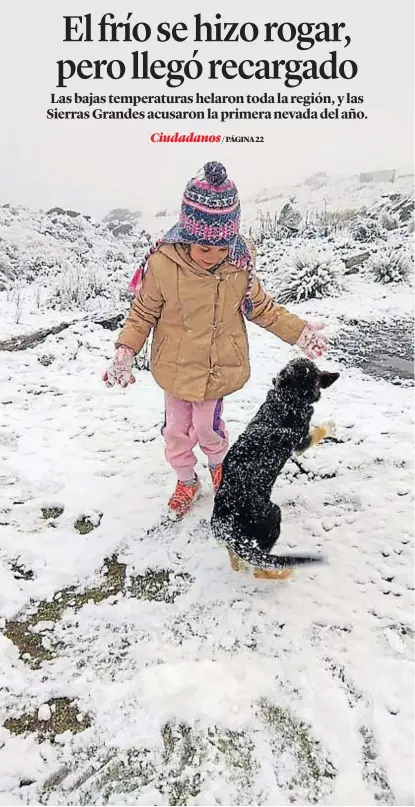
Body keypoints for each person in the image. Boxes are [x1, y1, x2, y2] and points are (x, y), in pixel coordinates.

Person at [104, 161, 328, 519]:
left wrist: (299, 332)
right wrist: (125, 349)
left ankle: (218, 466)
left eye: (221, 247)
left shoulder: (239, 267)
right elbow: (142, 313)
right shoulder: (163, 265)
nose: (212, 255)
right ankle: (185, 479)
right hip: (175, 369)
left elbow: (264, 309)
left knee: (209, 428)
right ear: (187, 234)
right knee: (177, 431)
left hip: (217, 370)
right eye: (203, 247)